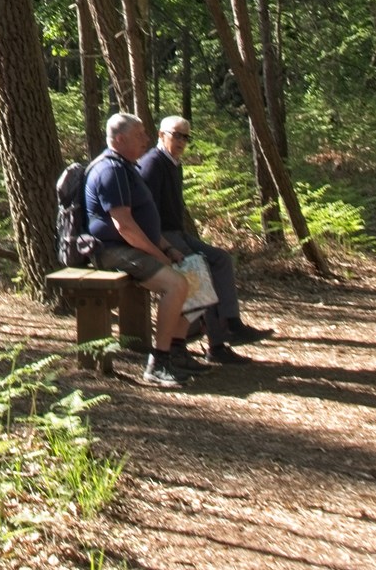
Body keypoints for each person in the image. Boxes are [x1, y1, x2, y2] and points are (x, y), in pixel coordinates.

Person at [137, 116, 272, 366]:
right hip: (163, 236)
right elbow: (145, 210)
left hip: (178, 232)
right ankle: (215, 344)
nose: (181, 142)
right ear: (160, 135)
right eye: (176, 135)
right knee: (201, 270)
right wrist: (161, 246)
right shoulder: (152, 164)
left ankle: (231, 323)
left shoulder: (174, 164)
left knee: (221, 259)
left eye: (185, 137)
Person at [83, 112, 194, 389]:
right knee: (176, 284)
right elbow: (125, 227)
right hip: (111, 251)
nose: (146, 139)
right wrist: (158, 256)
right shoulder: (111, 170)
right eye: (139, 135)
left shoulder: (127, 167)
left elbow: (144, 223)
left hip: (129, 247)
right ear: (120, 139)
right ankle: (158, 363)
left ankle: (176, 351)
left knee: (191, 273)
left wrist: (167, 248)